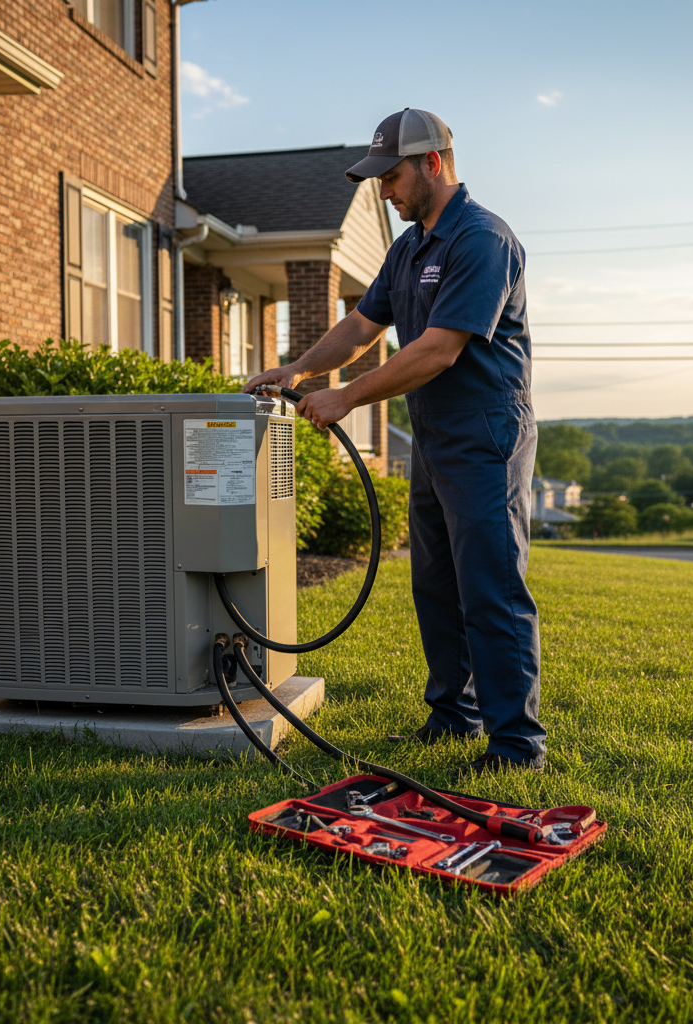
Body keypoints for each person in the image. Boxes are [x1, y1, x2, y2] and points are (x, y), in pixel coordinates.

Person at [244, 108, 545, 774]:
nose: (385, 191)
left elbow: (439, 349)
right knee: (435, 585)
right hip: (436, 434)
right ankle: (453, 716)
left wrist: (346, 397)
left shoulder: (482, 240)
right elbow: (360, 325)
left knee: (489, 586)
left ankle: (516, 744)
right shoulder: (408, 248)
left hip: (485, 432)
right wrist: (299, 370)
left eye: (393, 177)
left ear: (433, 163)